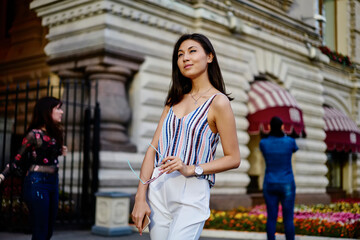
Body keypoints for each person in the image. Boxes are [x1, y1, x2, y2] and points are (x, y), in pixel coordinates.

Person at [131, 33, 241, 240]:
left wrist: (191, 168)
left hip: (192, 190)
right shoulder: (173, 100)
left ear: (209, 57)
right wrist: (140, 197)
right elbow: (153, 148)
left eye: (192, 51)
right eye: (180, 54)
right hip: (159, 187)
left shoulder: (219, 102)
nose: (185, 58)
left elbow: (234, 158)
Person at [0, 96, 67, 240]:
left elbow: (50, 155)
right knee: (41, 231)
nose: (61, 112)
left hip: (53, 183)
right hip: (37, 184)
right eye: (58, 109)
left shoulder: (56, 134)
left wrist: (61, 151)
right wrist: (2, 176)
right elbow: (17, 159)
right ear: (47, 111)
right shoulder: (34, 135)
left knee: (48, 231)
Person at [259, 116, 298, 240]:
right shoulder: (290, 141)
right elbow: (294, 149)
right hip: (287, 183)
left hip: (270, 182)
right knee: (288, 218)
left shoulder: (263, 143)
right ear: (282, 127)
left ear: (269, 127)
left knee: (271, 217)